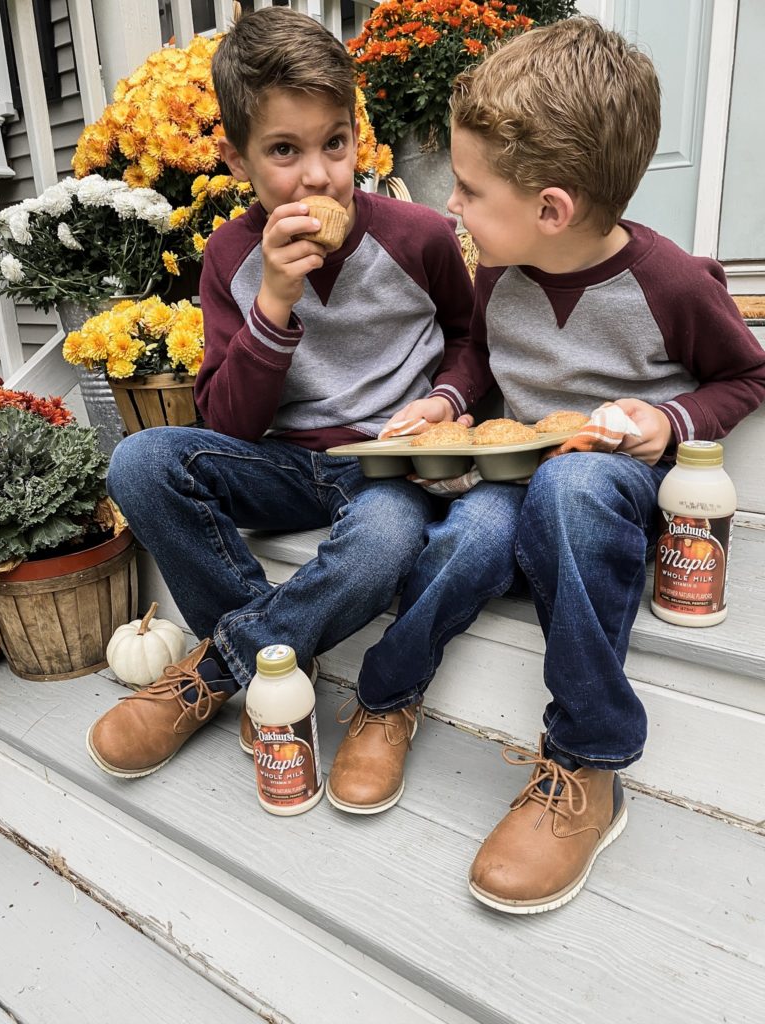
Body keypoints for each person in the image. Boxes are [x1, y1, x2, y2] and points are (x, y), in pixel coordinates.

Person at [326, 17, 765, 913]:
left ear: (552, 208)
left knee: (570, 483)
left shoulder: (672, 284)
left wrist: (669, 416)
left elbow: (746, 371)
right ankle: (388, 693)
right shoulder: (500, 268)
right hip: (512, 481)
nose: (452, 204)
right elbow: (480, 361)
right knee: (469, 533)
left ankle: (587, 762)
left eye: (470, 188)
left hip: (604, 487)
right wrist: (449, 403)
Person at [85, 7, 482, 780]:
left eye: (334, 143)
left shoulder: (419, 237)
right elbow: (226, 420)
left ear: (356, 136)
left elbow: (473, 344)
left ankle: (214, 674)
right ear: (237, 161)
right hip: (282, 463)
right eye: (283, 151)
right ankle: (269, 652)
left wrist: (444, 405)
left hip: (388, 469)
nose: (317, 174)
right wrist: (272, 304)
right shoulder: (233, 257)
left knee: (385, 542)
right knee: (139, 462)